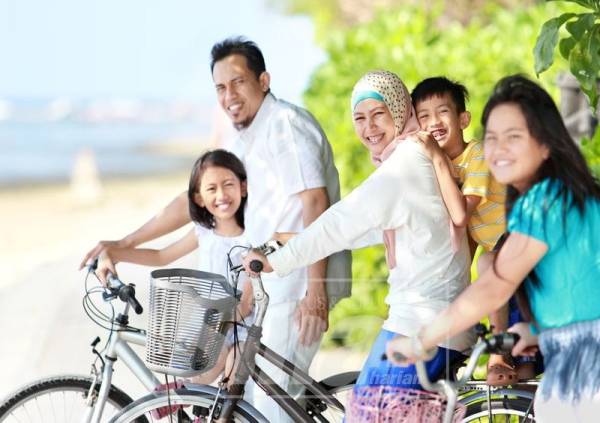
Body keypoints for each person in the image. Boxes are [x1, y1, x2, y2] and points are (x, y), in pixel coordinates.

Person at [80, 36, 351, 422]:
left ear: (264, 80)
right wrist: (124, 243)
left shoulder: (285, 126)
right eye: (221, 87)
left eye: (238, 82)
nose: (229, 95)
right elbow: (193, 200)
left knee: (272, 411)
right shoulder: (243, 136)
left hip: (296, 290)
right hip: (261, 292)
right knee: (250, 407)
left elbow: (315, 203)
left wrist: (316, 292)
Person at [243, 70, 475, 395]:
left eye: (379, 114)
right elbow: (364, 230)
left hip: (422, 326)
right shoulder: (415, 156)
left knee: (362, 412)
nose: (369, 128)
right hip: (440, 321)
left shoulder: (405, 164)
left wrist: (278, 262)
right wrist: (284, 241)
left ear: (400, 110)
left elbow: (342, 222)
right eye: (360, 118)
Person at [386, 75, 600, 422]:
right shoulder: (565, 197)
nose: (498, 149)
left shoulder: (546, 203)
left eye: (514, 137)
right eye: (493, 138)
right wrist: (538, 330)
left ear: (546, 144)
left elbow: (494, 285)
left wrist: (420, 339)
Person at [97, 149, 253, 386]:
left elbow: (246, 303)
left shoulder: (252, 237)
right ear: (199, 198)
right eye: (211, 188)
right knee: (194, 379)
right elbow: (162, 256)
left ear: (243, 187)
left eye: (228, 184)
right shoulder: (205, 232)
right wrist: (115, 253)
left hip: (242, 323)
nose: (221, 194)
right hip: (213, 326)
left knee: (231, 377)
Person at [410, 77, 527, 385]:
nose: (433, 121)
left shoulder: (477, 155)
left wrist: (435, 156)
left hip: (521, 235)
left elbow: (462, 214)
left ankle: (499, 351)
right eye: (424, 116)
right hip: (499, 246)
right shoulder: (439, 167)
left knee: (487, 264)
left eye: (442, 112)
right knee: (522, 380)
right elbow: (467, 237)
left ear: (463, 119)